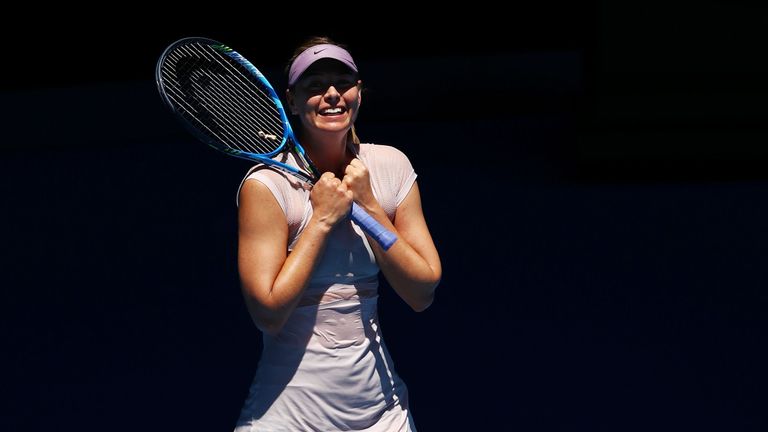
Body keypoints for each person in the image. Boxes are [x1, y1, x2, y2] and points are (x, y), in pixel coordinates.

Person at [233, 36, 441, 431]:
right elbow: (267, 313)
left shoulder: (391, 166)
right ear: (292, 101)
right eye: (315, 86)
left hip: (384, 416)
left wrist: (369, 205)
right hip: (287, 418)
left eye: (342, 82)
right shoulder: (266, 186)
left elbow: (422, 292)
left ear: (359, 93)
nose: (331, 94)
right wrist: (323, 220)